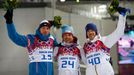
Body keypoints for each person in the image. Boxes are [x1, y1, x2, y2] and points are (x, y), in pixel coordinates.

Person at [4, 9, 61, 75]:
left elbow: (60, 50)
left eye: (47, 28)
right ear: (39, 29)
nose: (45, 30)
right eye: (43, 28)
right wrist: (9, 22)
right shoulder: (32, 39)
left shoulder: (52, 39)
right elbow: (15, 37)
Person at [83, 7, 130, 75]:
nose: (90, 33)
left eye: (92, 30)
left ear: (96, 32)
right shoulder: (85, 46)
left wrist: (122, 15)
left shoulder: (103, 41)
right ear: (86, 34)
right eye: (88, 31)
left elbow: (118, 33)